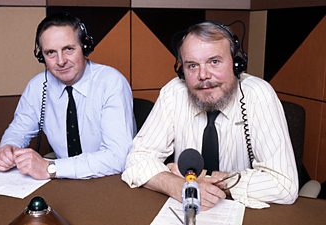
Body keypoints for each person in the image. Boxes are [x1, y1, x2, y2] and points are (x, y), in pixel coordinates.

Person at [122, 21, 298, 210]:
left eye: (214, 62)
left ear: (237, 64)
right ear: (182, 71)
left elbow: (284, 185)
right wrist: (178, 185)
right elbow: (136, 160)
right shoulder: (173, 93)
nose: (203, 75)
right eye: (192, 66)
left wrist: (206, 178)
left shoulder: (258, 95)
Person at [0, 12, 135, 180]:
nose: (60, 61)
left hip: (109, 180)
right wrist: (8, 149)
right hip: (63, 180)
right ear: (41, 56)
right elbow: (18, 130)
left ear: (84, 47)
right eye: (51, 53)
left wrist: (50, 168)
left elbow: (117, 157)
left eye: (68, 49)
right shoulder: (38, 86)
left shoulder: (111, 82)